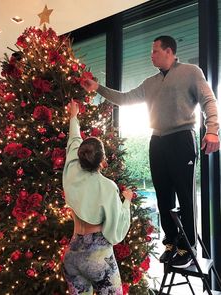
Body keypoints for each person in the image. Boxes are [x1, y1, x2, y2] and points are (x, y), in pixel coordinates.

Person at [81, 35, 220, 269]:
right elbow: (124, 99)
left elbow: (209, 100)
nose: (151, 55)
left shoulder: (190, 72)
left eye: (155, 51)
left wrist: (213, 130)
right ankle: (171, 243)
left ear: (169, 51)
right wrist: (98, 88)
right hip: (157, 141)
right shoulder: (149, 82)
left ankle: (188, 247)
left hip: (182, 138)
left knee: (185, 196)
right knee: (163, 195)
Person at [62, 99, 133, 294]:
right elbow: (117, 227)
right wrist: (127, 200)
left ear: (80, 156)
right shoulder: (108, 187)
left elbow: (74, 141)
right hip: (97, 257)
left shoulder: (72, 172)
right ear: (102, 161)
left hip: (72, 255)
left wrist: (74, 117)